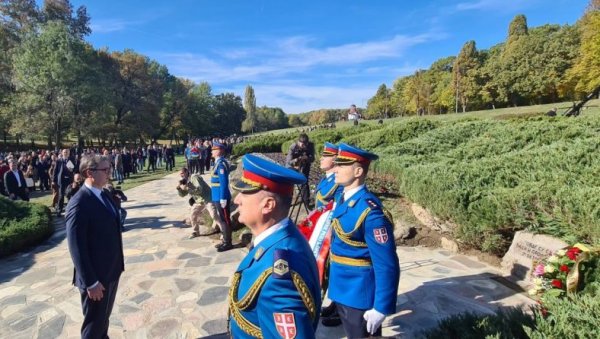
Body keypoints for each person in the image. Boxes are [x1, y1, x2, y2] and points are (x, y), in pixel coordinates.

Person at [228, 154, 322, 338]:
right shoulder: (280, 238)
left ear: (268, 205)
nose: (237, 199)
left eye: (245, 193)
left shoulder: (279, 278)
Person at [329, 143, 400, 338]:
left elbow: (386, 263)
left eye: (342, 165)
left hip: (359, 294)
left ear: (358, 171)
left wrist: (381, 306)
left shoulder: (370, 212)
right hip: (342, 289)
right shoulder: (344, 198)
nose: (335, 168)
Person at [65, 154, 124, 339]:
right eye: (105, 170)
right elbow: (76, 248)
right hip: (96, 278)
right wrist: (91, 281)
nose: (109, 173)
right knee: (93, 326)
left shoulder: (103, 193)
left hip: (111, 271)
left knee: (102, 321)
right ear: (89, 172)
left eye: (109, 168)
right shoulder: (79, 203)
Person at [312, 142, 344, 327]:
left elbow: (336, 209)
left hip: (330, 232)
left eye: (326, 156)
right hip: (321, 231)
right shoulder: (327, 180)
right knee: (329, 271)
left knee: (333, 269)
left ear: (335, 160)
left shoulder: (337, 183)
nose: (321, 159)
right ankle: (335, 304)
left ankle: (341, 309)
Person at [177, 167, 220, 238]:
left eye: (182, 173)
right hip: (199, 201)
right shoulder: (185, 181)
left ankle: (225, 232)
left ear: (187, 172)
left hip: (207, 199)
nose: (181, 175)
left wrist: (187, 188)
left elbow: (199, 190)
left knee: (214, 215)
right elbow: (182, 195)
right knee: (192, 215)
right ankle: (195, 232)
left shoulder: (194, 177)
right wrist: (179, 188)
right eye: (180, 174)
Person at [210, 141, 233, 252]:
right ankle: (225, 240)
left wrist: (223, 197)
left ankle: (228, 242)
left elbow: (224, 182)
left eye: (214, 150)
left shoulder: (221, 164)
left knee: (225, 220)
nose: (212, 152)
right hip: (217, 196)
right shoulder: (217, 163)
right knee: (222, 219)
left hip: (221, 196)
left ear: (219, 151)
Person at [285, 133, 315, 206]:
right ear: (298, 142)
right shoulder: (293, 147)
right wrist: (297, 160)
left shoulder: (310, 145)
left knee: (304, 182)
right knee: (290, 182)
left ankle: (306, 202)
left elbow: (313, 158)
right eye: (302, 145)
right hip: (292, 165)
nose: (304, 146)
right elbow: (289, 161)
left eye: (306, 145)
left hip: (305, 164)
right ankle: (287, 201)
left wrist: (307, 158)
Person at [54, 149, 74, 216]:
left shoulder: (70, 160)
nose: (65, 153)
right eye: (64, 152)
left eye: (67, 152)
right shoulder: (59, 161)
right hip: (61, 180)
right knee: (61, 195)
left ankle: (69, 210)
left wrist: (71, 168)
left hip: (69, 180)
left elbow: (73, 170)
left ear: (68, 153)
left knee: (69, 195)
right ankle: (59, 210)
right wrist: (54, 180)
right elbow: (55, 171)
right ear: (62, 153)